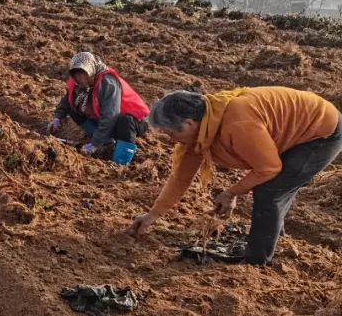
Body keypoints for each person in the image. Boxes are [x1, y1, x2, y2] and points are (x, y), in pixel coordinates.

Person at [131, 87, 342, 265]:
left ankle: (257, 261)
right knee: (272, 188)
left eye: (170, 134)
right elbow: (180, 178)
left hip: (321, 132)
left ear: (188, 124)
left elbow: (268, 168)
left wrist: (232, 193)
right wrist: (153, 215)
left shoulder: (237, 122)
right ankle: (273, 239)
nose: (172, 141)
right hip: (291, 132)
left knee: (269, 190)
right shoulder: (203, 129)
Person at [46, 51, 149, 162]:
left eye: (84, 73)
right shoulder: (78, 84)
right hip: (106, 119)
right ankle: (107, 142)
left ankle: (122, 160)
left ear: (91, 70)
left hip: (133, 121)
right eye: (77, 75)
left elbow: (111, 116)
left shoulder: (107, 84)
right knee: (73, 108)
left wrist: (94, 143)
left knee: (125, 121)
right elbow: (68, 100)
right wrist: (57, 118)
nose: (80, 78)